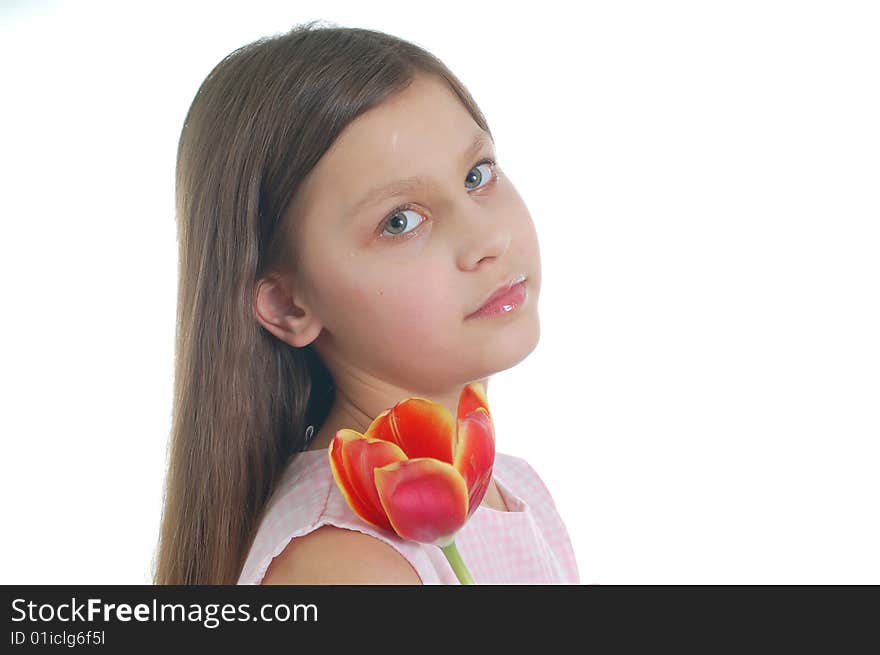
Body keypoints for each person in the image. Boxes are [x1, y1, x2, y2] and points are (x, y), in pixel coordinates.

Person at [154, 20, 579, 585]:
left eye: (477, 175)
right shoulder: (344, 564)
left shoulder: (517, 488)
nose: (488, 241)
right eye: (400, 221)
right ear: (288, 305)